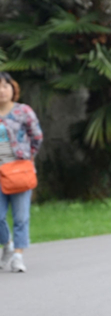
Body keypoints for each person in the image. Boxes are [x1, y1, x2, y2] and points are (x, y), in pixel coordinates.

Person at [0, 72, 43, 273]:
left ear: (13, 88)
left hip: (18, 170)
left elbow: (37, 137)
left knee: (21, 217)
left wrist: (27, 158)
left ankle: (18, 256)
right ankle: (7, 244)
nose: (1, 91)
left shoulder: (23, 111)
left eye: (5, 86)